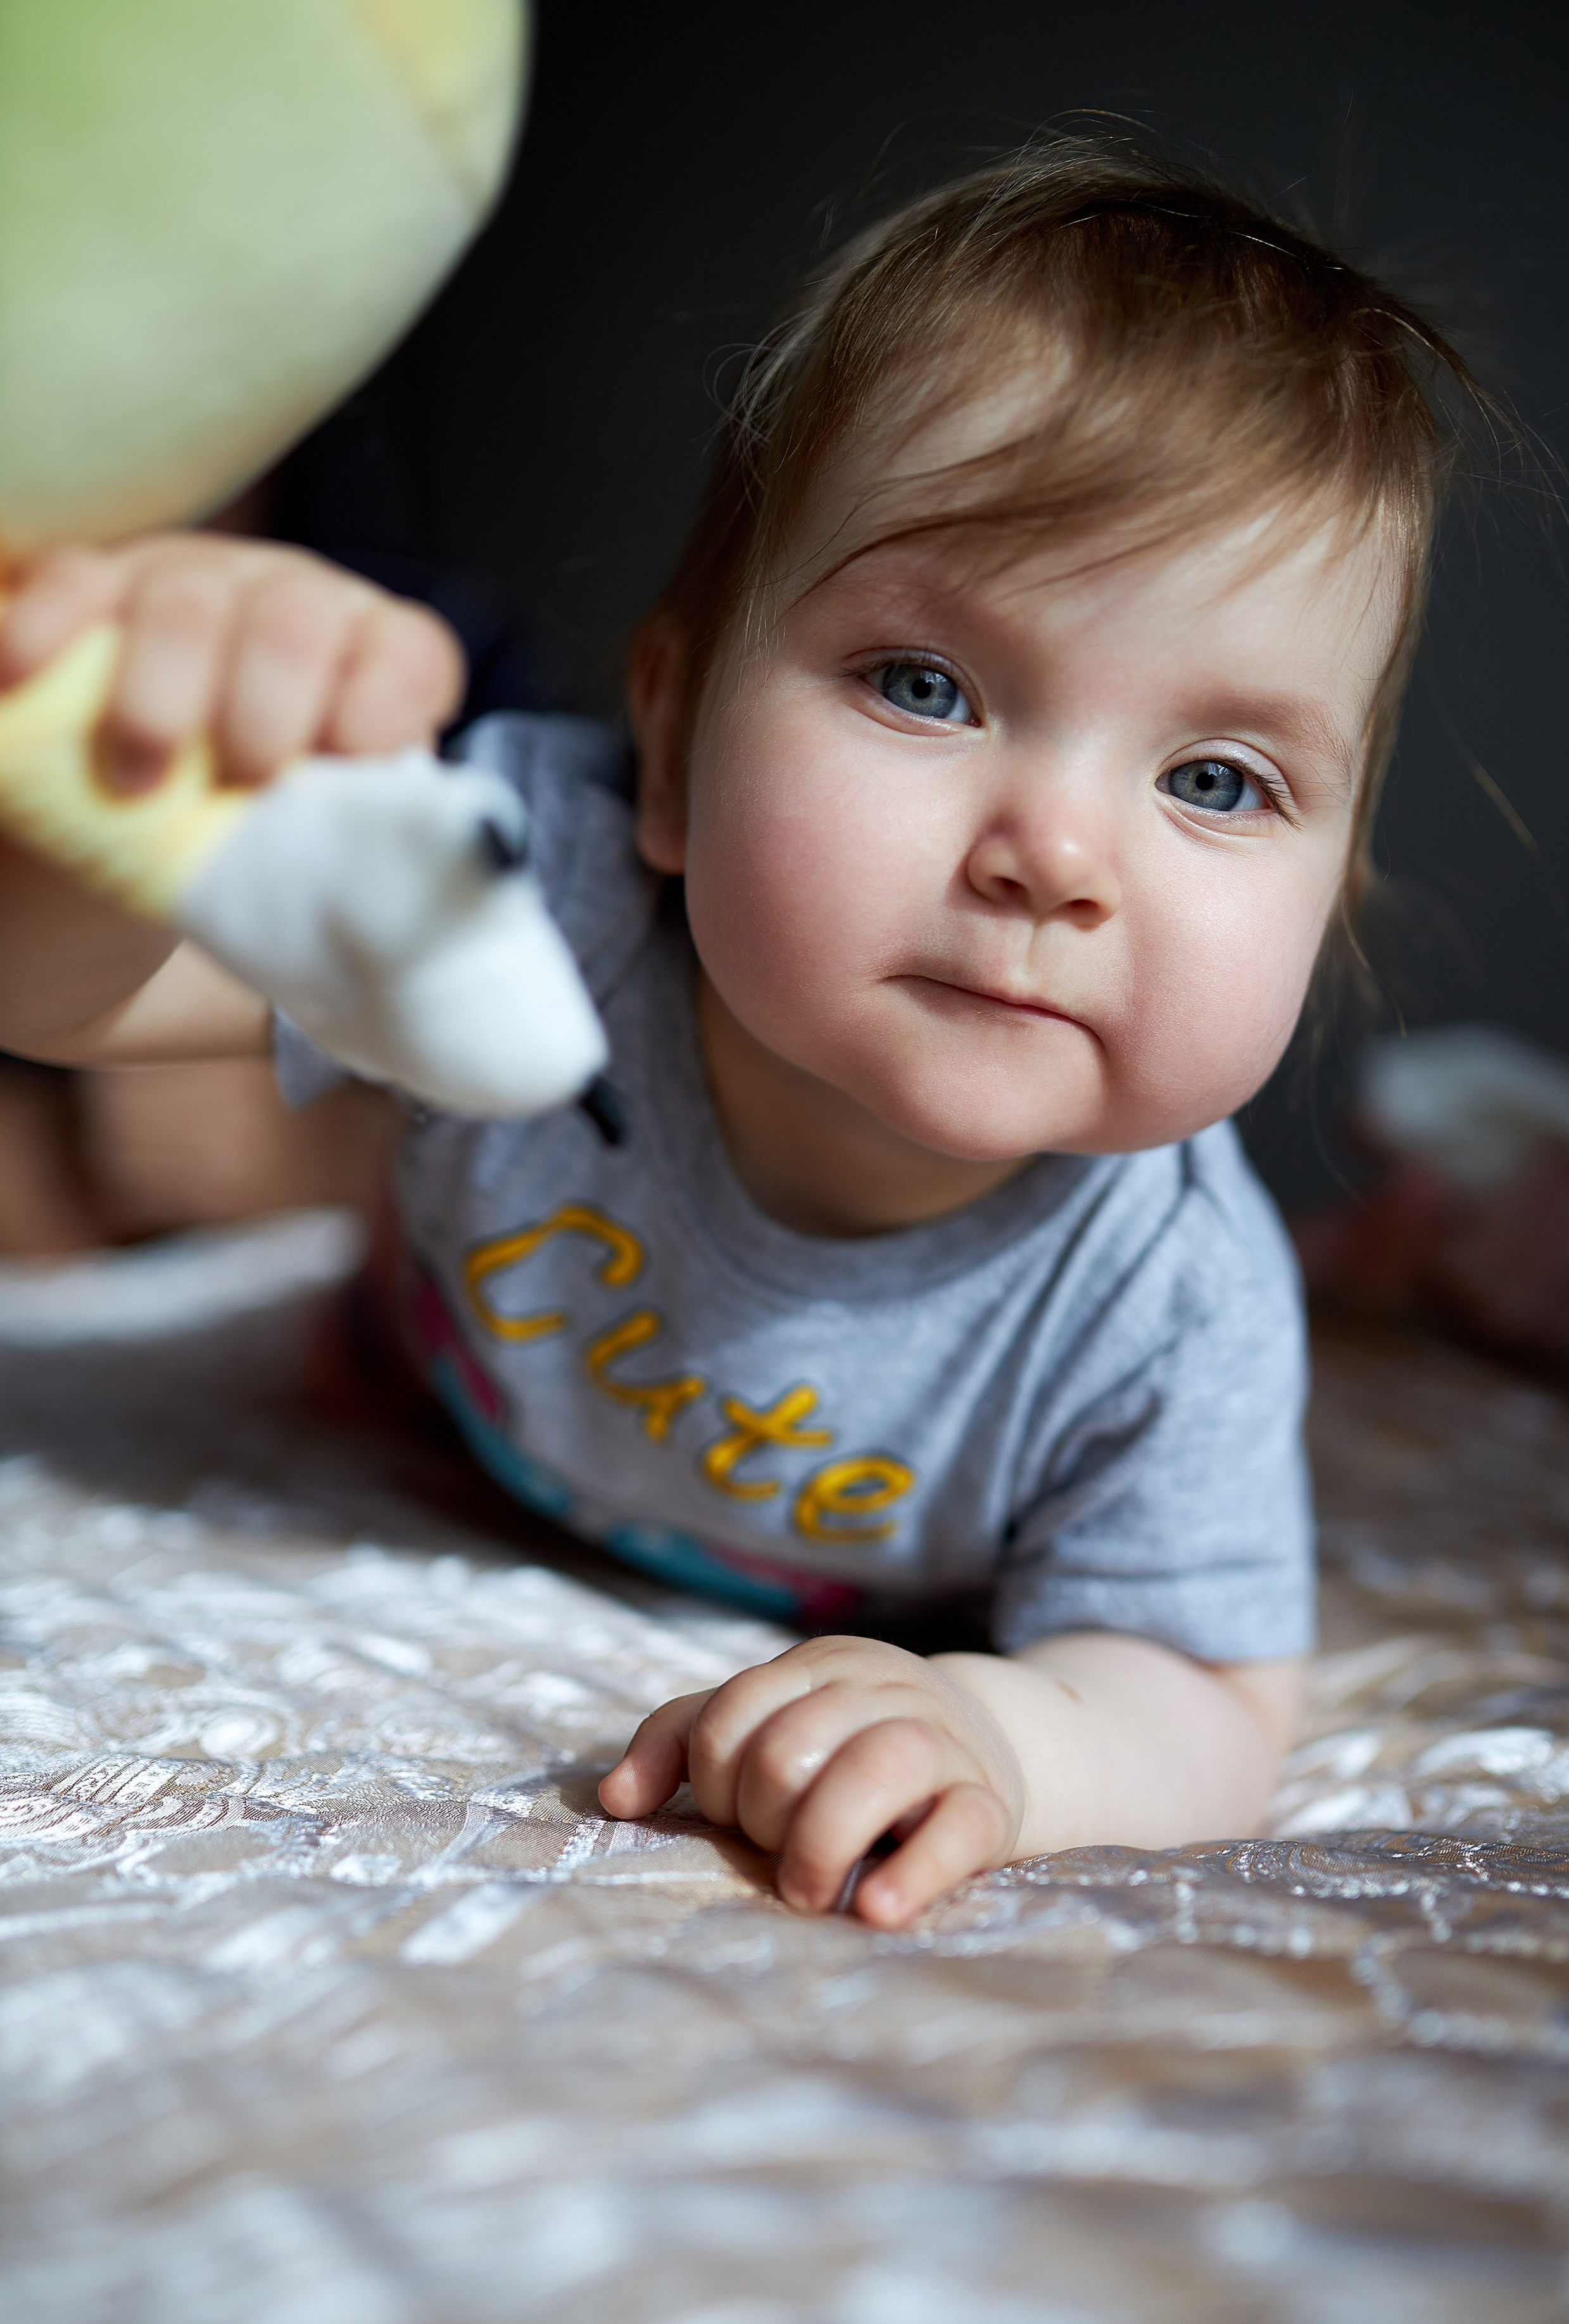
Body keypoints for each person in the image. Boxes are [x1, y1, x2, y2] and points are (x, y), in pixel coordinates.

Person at [0, 137, 1485, 1926]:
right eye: (926, 685)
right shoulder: (537, 890)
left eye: (1218, 779)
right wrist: (117, 788)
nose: (1059, 857)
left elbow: (1205, 1690)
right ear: (678, 728)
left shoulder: (1170, 1299)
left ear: (1332, 898)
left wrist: (1007, 1739)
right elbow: (65, 997)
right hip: (411, 1385)